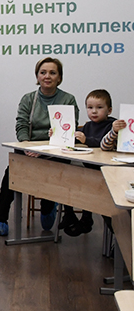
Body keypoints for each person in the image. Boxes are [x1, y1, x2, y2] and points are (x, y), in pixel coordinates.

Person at [0, 57, 78, 237]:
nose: (47, 76)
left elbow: (69, 128)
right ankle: (0, 217)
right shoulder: (29, 98)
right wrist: (27, 146)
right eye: (43, 72)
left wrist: (49, 147)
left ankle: (48, 207)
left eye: (52, 73)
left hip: (56, 151)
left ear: (59, 77)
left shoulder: (68, 99)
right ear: (37, 76)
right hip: (29, 148)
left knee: (51, 171)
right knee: (10, 174)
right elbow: (21, 125)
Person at [64, 89, 124, 236]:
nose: (94, 111)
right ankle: (71, 215)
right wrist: (60, 135)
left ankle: (88, 220)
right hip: (89, 168)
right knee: (67, 176)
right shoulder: (88, 126)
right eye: (90, 108)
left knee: (91, 187)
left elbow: (103, 144)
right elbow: (78, 142)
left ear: (109, 110)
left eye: (99, 107)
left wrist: (87, 140)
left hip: (105, 171)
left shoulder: (112, 125)